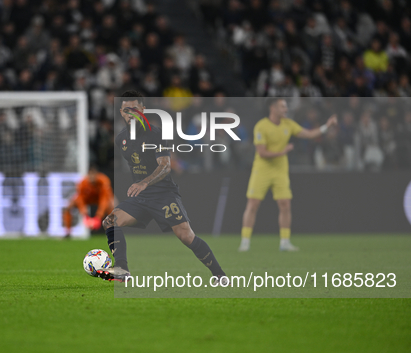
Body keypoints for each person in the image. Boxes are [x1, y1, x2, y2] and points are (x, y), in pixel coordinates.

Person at [97, 90, 228, 284]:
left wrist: (144, 182)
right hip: (140, 198)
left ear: (143, 110)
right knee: (110, 222)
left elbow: (165, 166)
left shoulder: (155, 133)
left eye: (134, 109)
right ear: (121, 113)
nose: (130, 113)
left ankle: (220, 276)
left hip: (163, 194)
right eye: (126, 110)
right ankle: (122, 269)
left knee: (186, 236)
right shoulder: (121, 139)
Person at [239, 98, 337, 252]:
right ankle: (245, 242)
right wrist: (282, 152)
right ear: (273, 108)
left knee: (285, 205)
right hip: (262, 169)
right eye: (282, 106)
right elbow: (261, 152)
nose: (286, 109)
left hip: (280, 170)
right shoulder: (261, 126)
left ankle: (284, 242)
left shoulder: (288, 124)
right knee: (253, 204)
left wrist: (327, 126)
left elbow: (309, 134)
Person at [63, 164, 114, 237]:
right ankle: (67, 232)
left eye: (94, 175)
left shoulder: (104, 181)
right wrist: (85, 214)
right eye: (90, 175)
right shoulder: (82, 183)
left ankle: (113, 231)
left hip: (100, 199)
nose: (92, 177)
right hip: (88, 200)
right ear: (88, 175)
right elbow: (80, 199)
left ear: (97, 174)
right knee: (68, 207)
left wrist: (98, 216)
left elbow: (104, 199)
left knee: (112, 206)